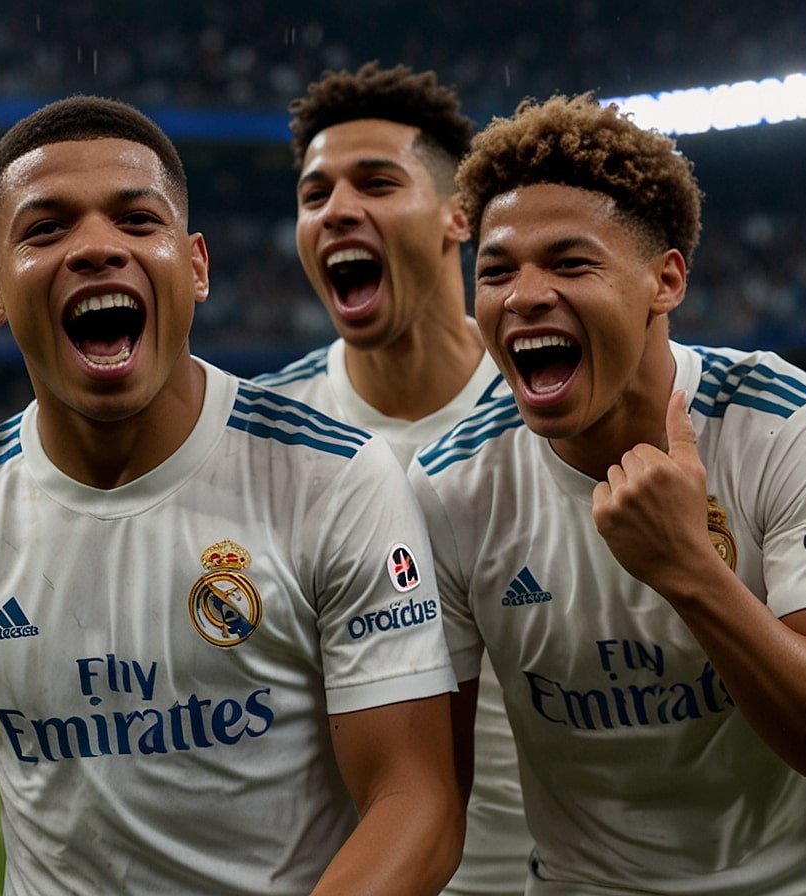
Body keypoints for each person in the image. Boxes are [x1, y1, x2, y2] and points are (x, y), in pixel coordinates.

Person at [0, 95, 463, 896]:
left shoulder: (336, 478)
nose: (97, 248)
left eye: (138, 221)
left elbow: (414, 799)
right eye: (46, 229)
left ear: (197, 266)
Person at [408, 93, 806, 894]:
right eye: (496, 270)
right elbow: (425, 797)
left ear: (665, 280)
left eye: (570, 263)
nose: (524, 295)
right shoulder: (451, 486)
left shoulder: (787, 423)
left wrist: (690, 569)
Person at [257, 61, 530, 895]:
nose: (337, 209)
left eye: (376, 182)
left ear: (460, 217)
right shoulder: (265, 437)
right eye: (314, 195)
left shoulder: (561, 401)